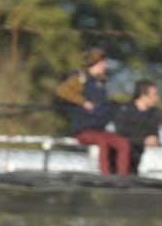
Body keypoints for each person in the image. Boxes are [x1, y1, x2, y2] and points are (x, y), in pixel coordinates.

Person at [55, 47, 131, 175]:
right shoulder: (80, 78)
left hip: (99, 129)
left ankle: (122, 177)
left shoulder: (101, 82)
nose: (105, 66)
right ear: (95, 63)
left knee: (123, 143)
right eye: (102, 63)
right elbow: (62, 90)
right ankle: (105, 176)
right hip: (83, 129)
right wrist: (82, 101)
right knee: (103, 141)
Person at [114, 79, 160, 175]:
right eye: (154, 94)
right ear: (143, 95)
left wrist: (154, 138)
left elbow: (153, 132)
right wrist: (142, 140)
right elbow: (121, 134)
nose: (157, 98)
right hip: (119, 162)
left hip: (137, 159)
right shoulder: (125, 111)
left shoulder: (153, 113)